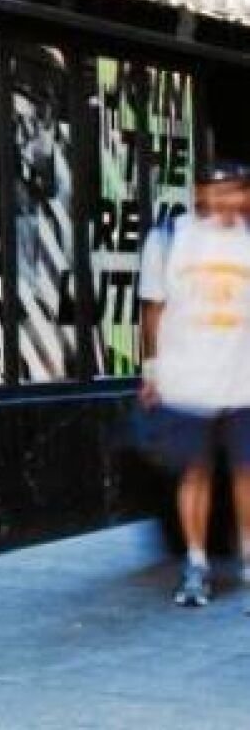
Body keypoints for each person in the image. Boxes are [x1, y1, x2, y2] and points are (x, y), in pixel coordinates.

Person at [139, 161, 250, 609]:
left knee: (247, 473)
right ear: (200, 193)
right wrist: (151, 372)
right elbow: (153, 309)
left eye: (237, 191)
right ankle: (197, 563)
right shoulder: (169, 238)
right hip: (187, 380)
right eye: (219, 191)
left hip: (243, 377)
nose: (228, 200)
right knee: (195, 472)